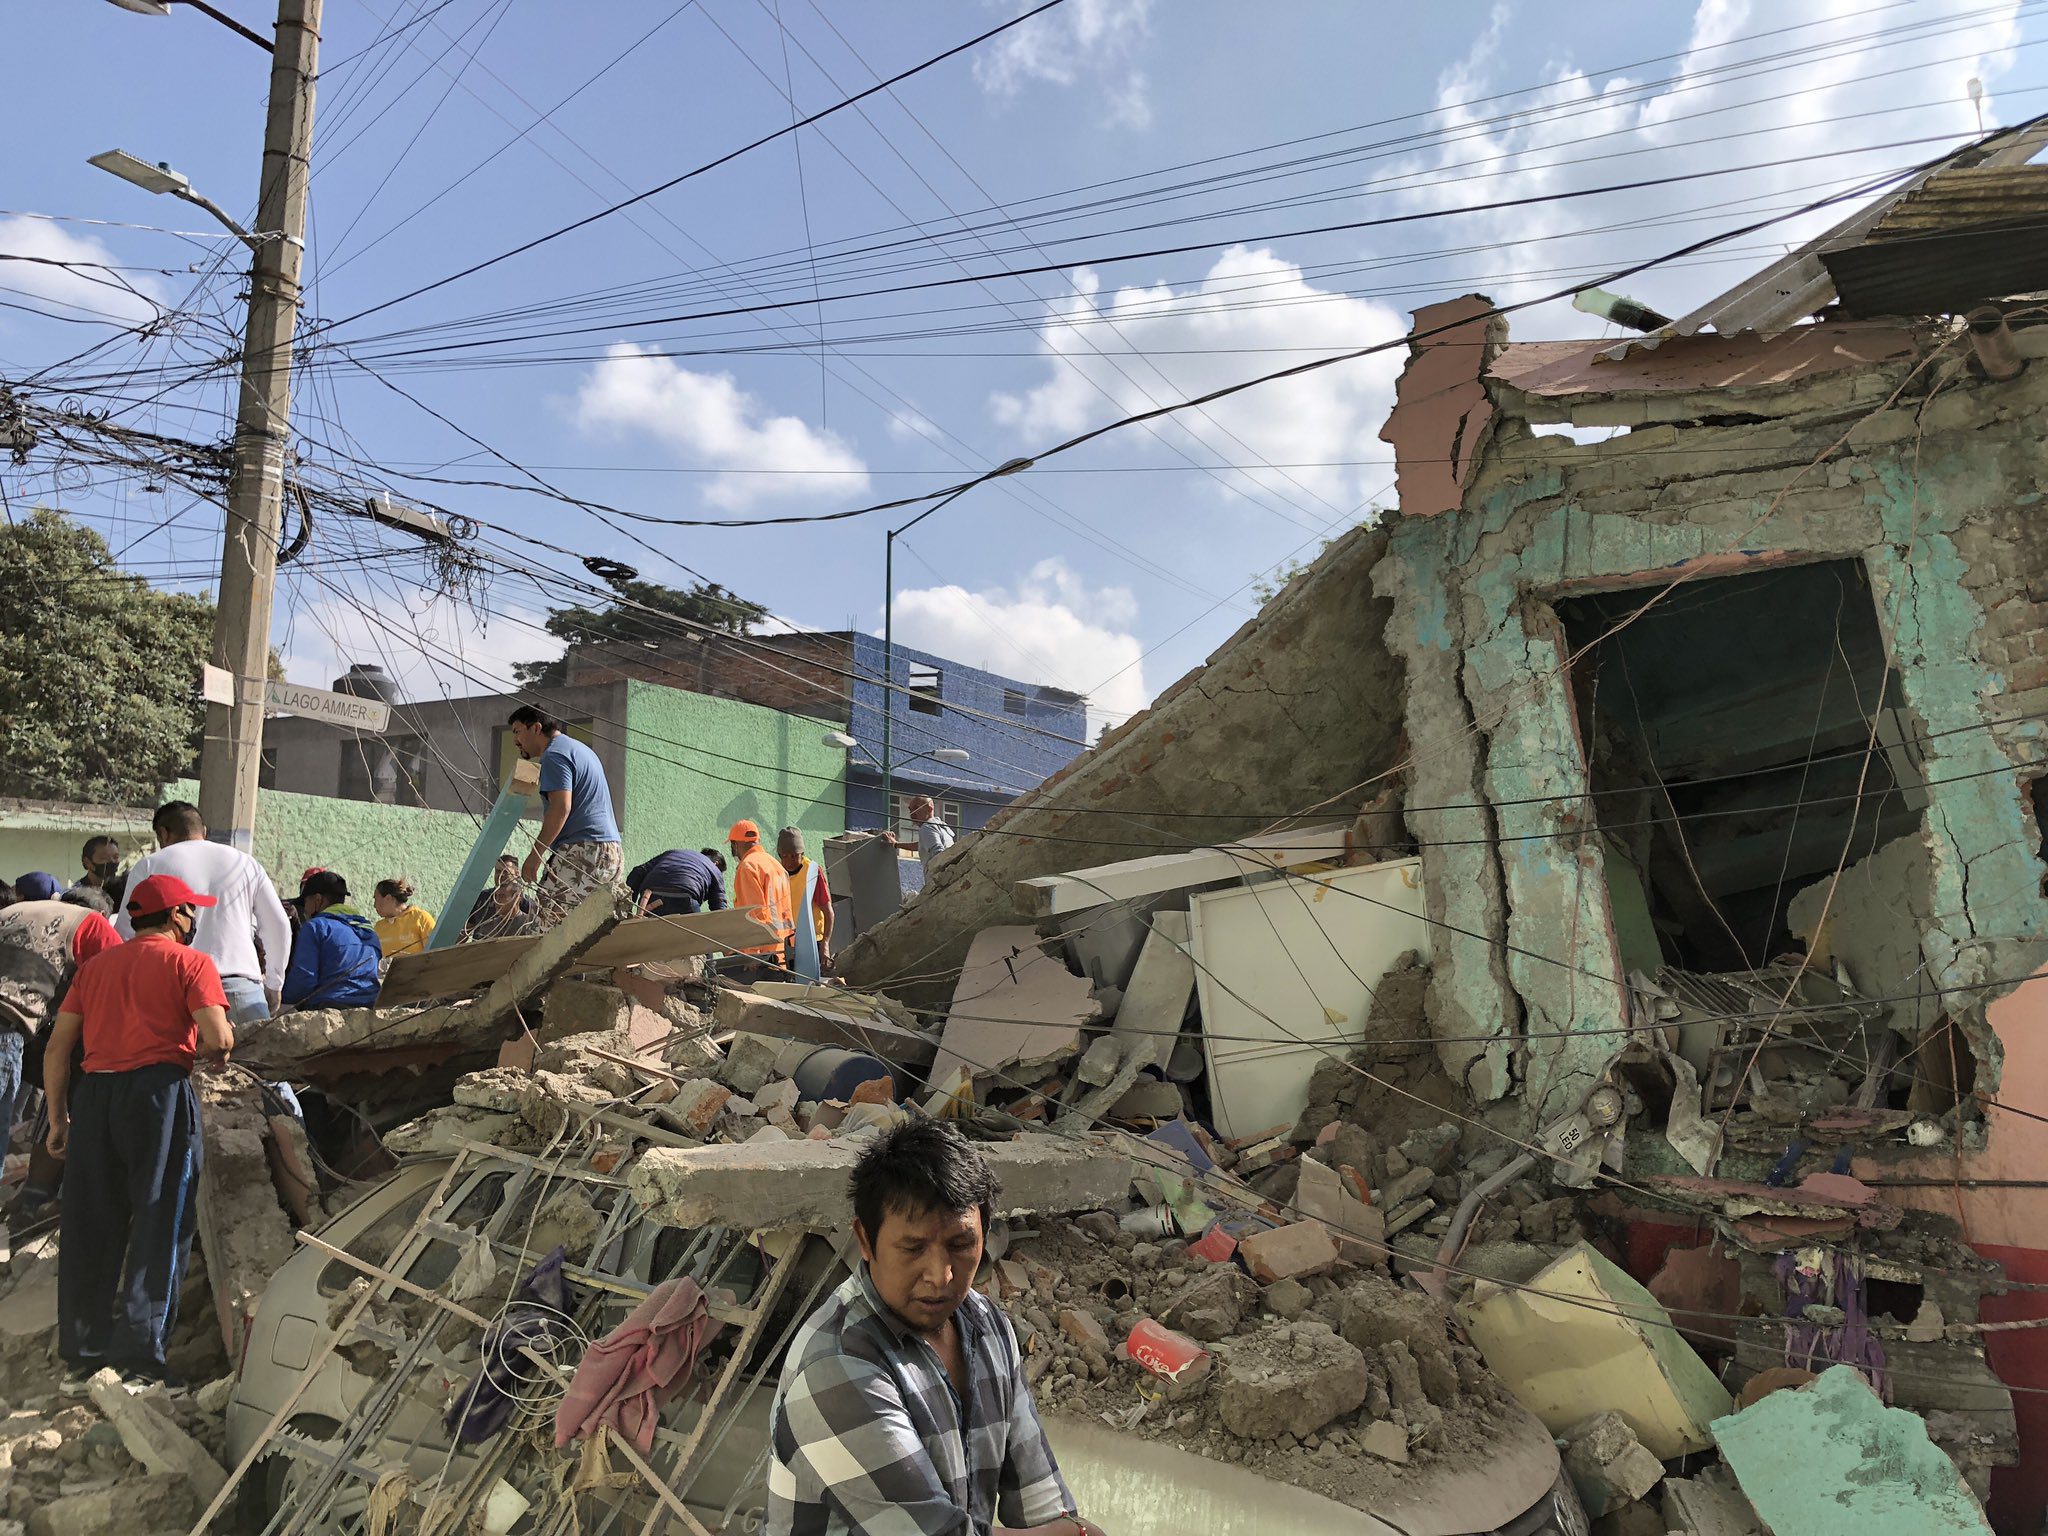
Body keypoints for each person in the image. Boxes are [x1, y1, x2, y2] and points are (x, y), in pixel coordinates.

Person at [767, 1120, 1099, 1536]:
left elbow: (1043, 1504)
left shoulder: (988, 1329)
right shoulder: (835, 1364)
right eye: (913, 1248)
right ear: (865, 1241)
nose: (940, 1275)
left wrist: (1069, 1530)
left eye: (961, 1245)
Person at [44, 873, 233, 1390]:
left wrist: (59, 1119)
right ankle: (137, 1364)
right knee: (161, 1220)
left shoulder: (96, 968)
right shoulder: (191, 962)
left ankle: (82, 1358)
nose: (194, 920)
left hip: (96, 1096)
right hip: (157, 1097)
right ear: (174, 916)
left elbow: (59, 1048)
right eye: (191, 912)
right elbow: (217, 1037)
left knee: (90, 1226)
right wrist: (219, 1044)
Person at [0, 883, 122, 1235]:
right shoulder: (94, 927)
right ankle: (41, 1197)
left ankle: (33, 1196)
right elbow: (117, 984)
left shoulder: (15, 914)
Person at [116, 801, 291, 1025]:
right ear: (204, 832)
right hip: (240, 989)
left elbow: (127, 932)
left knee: (180, 1060)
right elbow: (279, 926)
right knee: (251, 1059)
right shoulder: (244, 863)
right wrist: (274, 985)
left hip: (174, 988)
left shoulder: (150, 865)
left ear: (163, 833)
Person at [508, 706, 622, 926]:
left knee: (546, 927)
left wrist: (535, 856)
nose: (515, 739)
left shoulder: (554, 755)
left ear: (536, 728)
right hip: (611, 852)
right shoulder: (579, 749)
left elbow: (560, 808)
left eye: (517, 731)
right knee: (590, 929)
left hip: (584, 851)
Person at [281, 872, 382, 1010]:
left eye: (305, 902)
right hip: (370, 1006)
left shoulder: (316, 927)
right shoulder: (369, 930)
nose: (304, 909)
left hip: (328, 1007)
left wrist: (280, 997)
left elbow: (303, 980)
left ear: (318, 900)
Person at [726, 820, 795, 979]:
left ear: (736, 844)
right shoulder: (775, 865)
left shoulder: (748, 867)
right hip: (782, 952)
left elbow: (754, 913)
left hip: (763, 957)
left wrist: (752, 954)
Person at [777, 827, 834, 968]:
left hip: (813, 943)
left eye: (794, 856)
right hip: (786, 945)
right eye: (784, 856)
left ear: (802, 853)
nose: (789, 861)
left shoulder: (812, 872)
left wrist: (825, 944)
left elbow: (828, 912)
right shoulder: (777, 873)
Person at [625, 847, 727, 917]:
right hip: (685, 899)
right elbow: (719, 910)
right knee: (694, 944)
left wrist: (626, 910)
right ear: (716, 863)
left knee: (651, 944)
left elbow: (637, 872)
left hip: (649, 899)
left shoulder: (673, 854)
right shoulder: (714, 869)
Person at [464, 855, 539, 941]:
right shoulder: (483, 898)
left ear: (517, 874)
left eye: (505, 871)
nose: (501, 875)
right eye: (498, 871)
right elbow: (467, 929)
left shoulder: (528, 905)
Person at [884, 796, 956, 873]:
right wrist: (896, 844)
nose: (912, 813)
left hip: (940, 878)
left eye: (916, 808)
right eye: (910, 810)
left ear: (929, 808)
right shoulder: (941, 826)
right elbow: (923, 845)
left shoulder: (927, 827)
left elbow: (937, 853)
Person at [371, 877, 437, 958]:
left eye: (376, 899)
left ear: (388, 898)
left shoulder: (420, 918)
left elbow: (436, 952)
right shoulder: (378, 927)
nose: (374, 905)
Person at [67, 835, 123, 906]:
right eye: (104, 858)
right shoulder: (76, 895)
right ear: (88, 862)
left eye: (115, 857)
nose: (112, 862)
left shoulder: (124, 889)